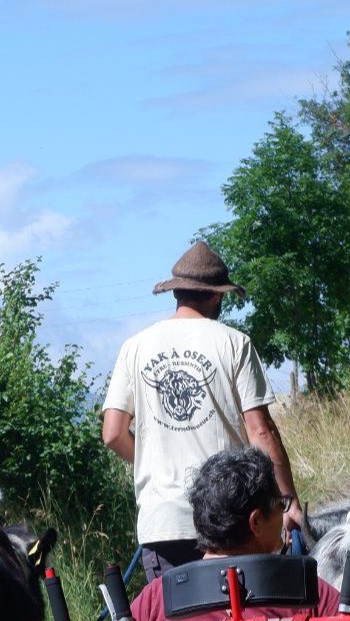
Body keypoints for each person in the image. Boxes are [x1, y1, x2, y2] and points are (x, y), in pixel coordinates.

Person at [102, 240, 304, 583]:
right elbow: (260, 431)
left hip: (162, 523)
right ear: (215, 296)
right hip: (230, 517)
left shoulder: (134, 347)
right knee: (237, 613)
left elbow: (112, 434)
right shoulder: (234, 343)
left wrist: (154, 461)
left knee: (178, 618)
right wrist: (288, 502)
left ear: (177, 292)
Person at [127, 446, 350, 621]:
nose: (283, 514)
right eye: (280, 505)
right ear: (256, 522)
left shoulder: (155, 600)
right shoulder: (306, 590)